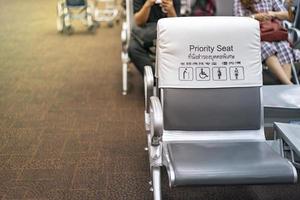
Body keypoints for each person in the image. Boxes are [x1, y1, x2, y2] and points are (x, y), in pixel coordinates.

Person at [234, 0, 300, 84]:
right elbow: (239, 21)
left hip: (274, 35)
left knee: (285, 47)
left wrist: (273, 14)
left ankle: (285, 85)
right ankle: (288, 85)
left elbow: (288, 15)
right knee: (267, 48)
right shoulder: (240, 2)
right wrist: (255, 17)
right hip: (256, 37)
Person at [128, 0, 180, 75]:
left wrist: (170, 9)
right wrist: (148, 4)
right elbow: (139, 22)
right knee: (133, 49)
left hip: (168, 32)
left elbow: (176, 24)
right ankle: (153, 79)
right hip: (145, 32)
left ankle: (168, 77)